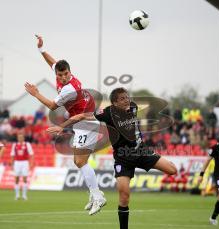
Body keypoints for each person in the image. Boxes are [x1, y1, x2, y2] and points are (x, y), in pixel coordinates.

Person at [47, 87, 177, 229]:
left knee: (172, 170)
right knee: (124, 195)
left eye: (127, 97)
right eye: (122, 99)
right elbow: (82, 116)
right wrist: (62, 126)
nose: (126, 100)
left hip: (141, 151)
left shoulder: (133, 107)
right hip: (123, 158)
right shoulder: (107, 113)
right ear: (114, 103)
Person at [24, 35, 105, 215]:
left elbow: (52, 106)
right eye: (59, 74)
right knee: (79, 161)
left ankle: (98, 196)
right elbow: (52, 62)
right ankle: (95, 194)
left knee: (80, 161)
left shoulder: (69, 88)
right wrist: (41, 49)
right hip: (81, 121)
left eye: (65, 74)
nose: (62, 77)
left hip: (87, 121)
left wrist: (36, 93)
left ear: (70, 72)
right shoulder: (62, 75)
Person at [11, 133, 34, 200]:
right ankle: (17, 195)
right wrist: (12, 164)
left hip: (25, 162)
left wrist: (31, 163)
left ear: (23, 138)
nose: (20, 139)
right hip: (17, 162)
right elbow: (12, 155)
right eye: (19, 137)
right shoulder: (15, 145)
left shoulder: (27, 144)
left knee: (25, 178)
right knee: (16, 179)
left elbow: (31, 154)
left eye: (21, 137)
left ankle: (24, 195)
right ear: (17, 138)